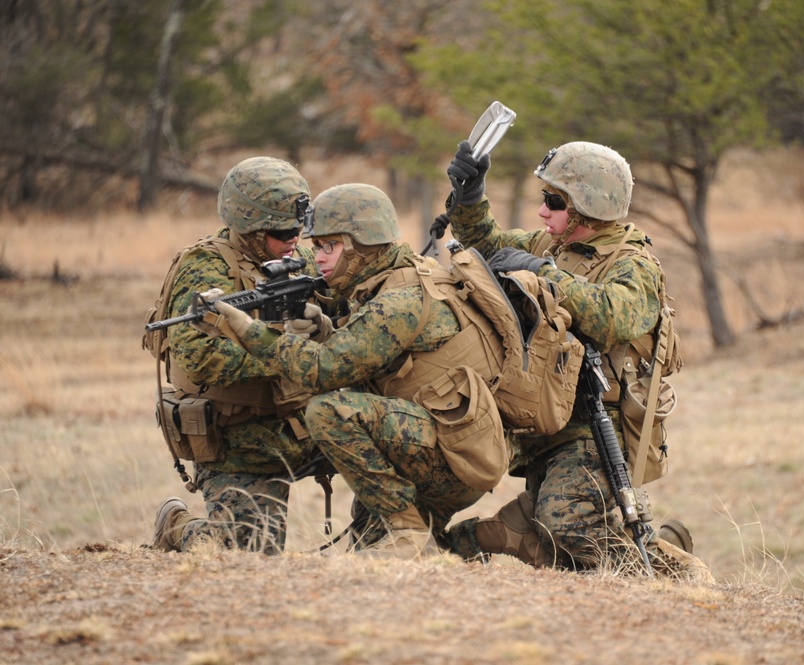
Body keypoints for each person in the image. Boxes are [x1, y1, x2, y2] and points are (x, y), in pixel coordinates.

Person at [440, 140, 711, 580]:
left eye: (554, 201)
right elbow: (486, 243)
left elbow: (613, 316)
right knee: (559, 540)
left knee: (572, 531)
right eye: (544, 199)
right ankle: (549, 530)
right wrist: (471, 197)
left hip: (597, 426)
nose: (543, 212)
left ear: (588, 207)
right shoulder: (551, 245)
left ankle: (674, 569)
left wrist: (540, 272)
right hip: (548, 420)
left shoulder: (633, 263)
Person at [199, 183, 508, 559]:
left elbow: (322, 371)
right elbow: (377, 359)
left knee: (328, 411)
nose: (321, 258)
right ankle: (456, 540)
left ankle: (408, 529)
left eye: (330, 246)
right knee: (369, 548)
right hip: (459, 443)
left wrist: (243, 328)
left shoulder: (397, 301)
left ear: (363, 244)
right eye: (317, 247)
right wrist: (329, 331)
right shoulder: (410, 273)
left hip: (452, 454)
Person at [151, 156, 333, 555]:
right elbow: (198, 356)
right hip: (239, 440)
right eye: (282, 231)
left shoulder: (296, 260)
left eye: (299, 229)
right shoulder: (204, 269)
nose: (294, 239)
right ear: (249, 228)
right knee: (245, 556)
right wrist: (284, 351)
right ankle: (179, 527)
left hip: (302, 420)